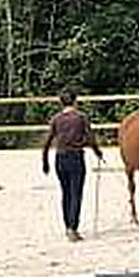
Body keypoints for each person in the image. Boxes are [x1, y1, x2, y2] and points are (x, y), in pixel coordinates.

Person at [41, 90, 104, 241]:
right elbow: (90, 137)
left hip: (60, 158)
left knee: (66, 193)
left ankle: (67, 226)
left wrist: (45, 162)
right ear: (75, 101)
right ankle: (73, 227)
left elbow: (47, 141)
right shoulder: (81, 118)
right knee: (76, 193)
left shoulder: (56, 119)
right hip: (76, 157)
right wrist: (97, 152)